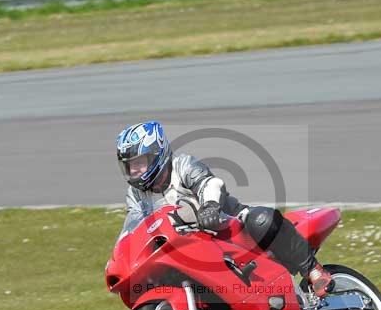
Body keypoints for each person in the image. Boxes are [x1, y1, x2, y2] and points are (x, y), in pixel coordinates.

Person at [115, 121, 335, 297]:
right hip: (187, 246)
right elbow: (132, 227)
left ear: (156, 154)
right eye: (130, 166)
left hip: (227, 227)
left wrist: (210, 206)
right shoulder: (135, 195)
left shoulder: (182, 166)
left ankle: (314, 271)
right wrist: (122, 260)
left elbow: (209, 183)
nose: (134, 170)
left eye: (139, 162)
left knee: (261, 220)